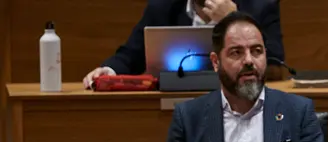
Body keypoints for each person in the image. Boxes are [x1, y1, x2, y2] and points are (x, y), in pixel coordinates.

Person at [159, 12, 328, 142]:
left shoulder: (297, 111)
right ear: (215, 62)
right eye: (236, 53)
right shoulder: (189, 116)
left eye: (257, 51)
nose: (249, 61)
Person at [82, 0, 285, 88]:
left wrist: (235, 19)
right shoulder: (164, 6)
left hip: (240, 103)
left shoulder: (260, 5)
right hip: (174, 107)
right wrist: (108, 70)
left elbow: (275, 61)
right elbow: (130, 55)